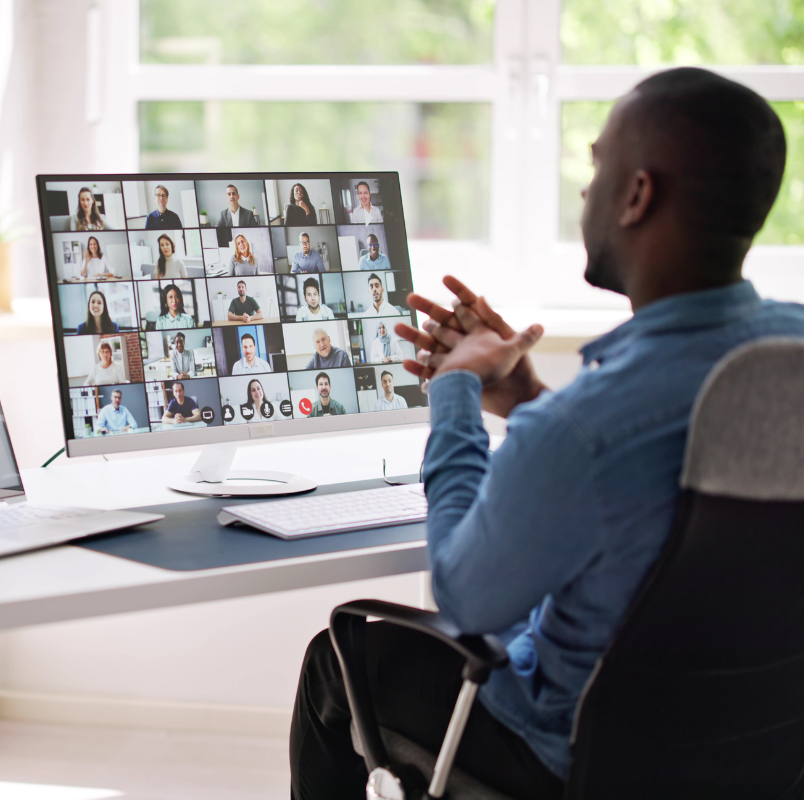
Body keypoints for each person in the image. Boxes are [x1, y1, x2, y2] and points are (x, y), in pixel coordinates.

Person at [290, 68, 804, 800]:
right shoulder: (787, 354)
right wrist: (528, 396)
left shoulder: (588, 425)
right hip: (758, 755)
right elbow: (649, 479)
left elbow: (467, 598)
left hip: (574, 758)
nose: (585, 193)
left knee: (335, 662)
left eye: (597, 167)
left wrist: (456, 392)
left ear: (637, 195)